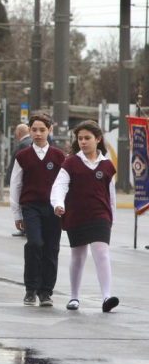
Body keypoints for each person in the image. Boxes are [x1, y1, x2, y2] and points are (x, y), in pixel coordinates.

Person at [51, 120, 119, 313]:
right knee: (78, 257)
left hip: (100, 215)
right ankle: (74, 297)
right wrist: (58, 204)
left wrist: (111, 217)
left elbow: (111, 194)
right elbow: (59, 186)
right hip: (77, 215)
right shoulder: (70, 162)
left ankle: (107, 296)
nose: (83, 142)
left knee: (101, 252)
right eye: (80, 138)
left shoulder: (107, 165)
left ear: (98, 139)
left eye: (87, 138)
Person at [10, 113, 65, 307]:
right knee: (34, 244)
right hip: (30, 206)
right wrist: (17, 213)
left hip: (52, 209)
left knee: (51, 248)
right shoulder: (22, 156)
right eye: (34, 130)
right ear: (30, 131)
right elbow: (15, 184)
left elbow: (65, 184)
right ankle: (30, 289)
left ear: (50, 131)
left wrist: (63, 206)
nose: (38, 134)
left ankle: (46, 291)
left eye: (42, 130)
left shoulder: (59, 156)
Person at [7, 123, 32, 238]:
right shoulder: (27, 143)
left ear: (18, 133)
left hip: (21, 180)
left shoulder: (23, 144)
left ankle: (25, 228)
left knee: (22, 203)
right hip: (23, 179)